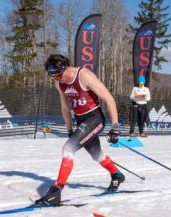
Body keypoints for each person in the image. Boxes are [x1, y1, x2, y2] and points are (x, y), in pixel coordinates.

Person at [35, 54, 125, 206]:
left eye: (58, 75)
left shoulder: (84, 75)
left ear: (66, 68)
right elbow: (65, 107)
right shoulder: (59, 83)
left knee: (68, 148)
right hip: (80, 120)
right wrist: (69, 129)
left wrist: (115, 127)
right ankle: (117, 175)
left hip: (95, 118)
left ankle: (56, 191)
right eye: (53, 77)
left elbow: (108, 98)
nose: (57, 79)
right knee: (97, 156)